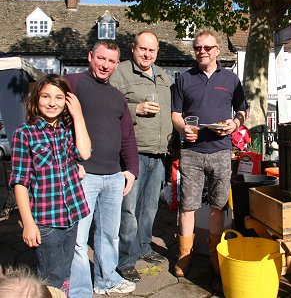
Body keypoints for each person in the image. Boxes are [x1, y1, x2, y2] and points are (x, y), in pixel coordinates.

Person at [65, 40, 139, 297]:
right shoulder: (72, 84)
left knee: (109, 236)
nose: (105, 65)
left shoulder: (118, 96)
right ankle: (80, 290)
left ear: (117, 65)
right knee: (78, 239)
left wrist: (131, 169)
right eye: (101, 58)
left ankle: (107, 280)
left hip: (114, 176)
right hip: (83, 177)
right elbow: (55, 123)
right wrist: (69, 162)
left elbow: (127, 136)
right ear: (90, 57)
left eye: (111, 61)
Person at [171, 29, 247, 277]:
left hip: (221, 151)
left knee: (218, 205)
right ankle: (185, 255)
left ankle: (214, 253)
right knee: (188, 205)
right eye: (197, 48)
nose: (201, 51)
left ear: (217, 51)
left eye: (207, 47)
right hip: (192, 152)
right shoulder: (184, 79)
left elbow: (242, 111)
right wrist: (184, 129)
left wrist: (235, 125)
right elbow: (175, 114)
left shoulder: (231, 80)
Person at [8, 74, 91, 295]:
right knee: (51, 275)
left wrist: (78, 115)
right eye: (46, 96)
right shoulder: (25, 134)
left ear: (67, 101)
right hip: (46, 221)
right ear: (36, 99)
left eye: (59, 97)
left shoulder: (66, 131)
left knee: (65, 272)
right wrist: (28, 222)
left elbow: (84, 153)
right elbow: (20, 182)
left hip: (71, 215)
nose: (52, 103)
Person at [109, 30, 173, 282]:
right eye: (142, 49)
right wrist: (137, 108)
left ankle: (144, 247)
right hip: (132, 153)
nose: (147, 54)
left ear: (156, 52)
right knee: (129, 210)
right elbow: (110, 107)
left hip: (159, 153)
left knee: (150, 208)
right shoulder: (120, 73)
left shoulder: (164, 77)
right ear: (133, 48)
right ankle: (126, 259)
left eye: (152, 50)